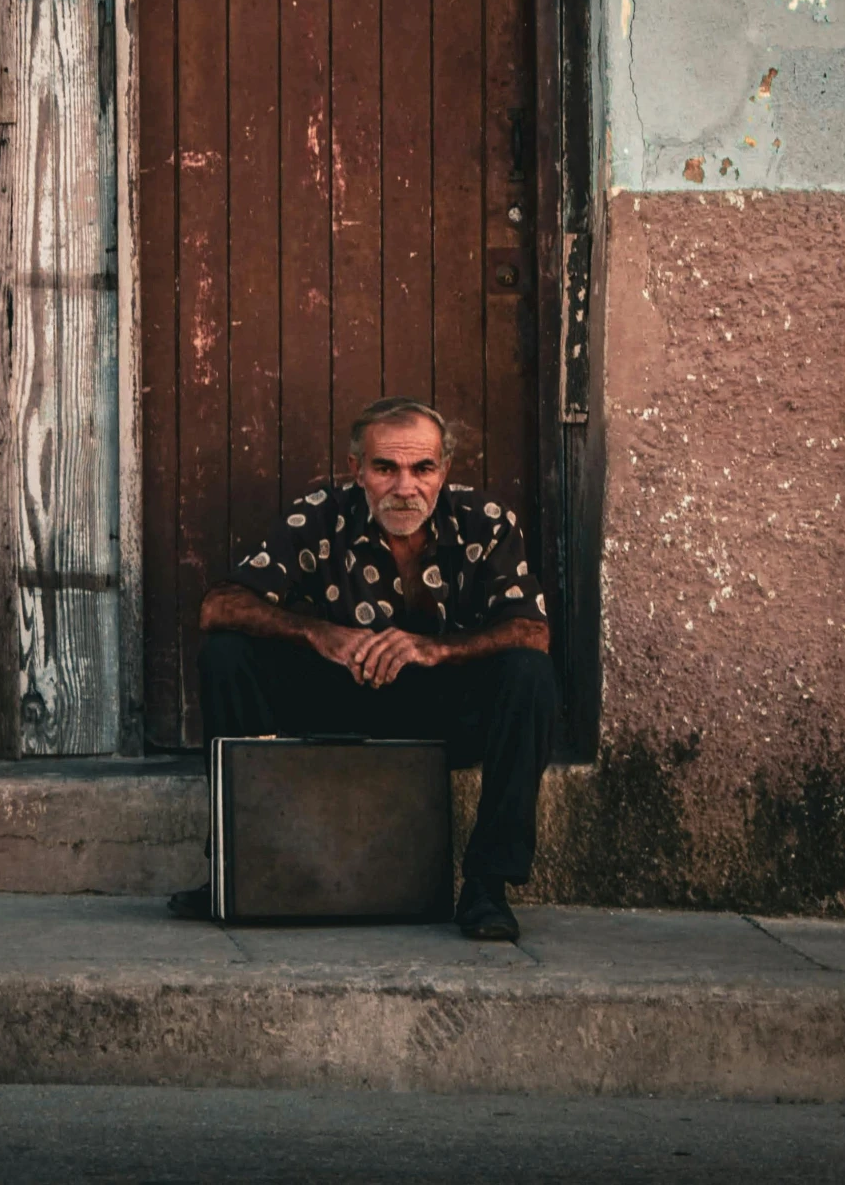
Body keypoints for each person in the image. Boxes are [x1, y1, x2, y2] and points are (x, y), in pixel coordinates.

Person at [167, 397, 560, 941]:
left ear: (444, 470)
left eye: (423, 468)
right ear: (357, 470)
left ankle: (487, 885)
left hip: (443, 712)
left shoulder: (482, 522)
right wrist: (318, 633)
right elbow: (220, 605)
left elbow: (532, 629)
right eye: (385, 468)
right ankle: (241, 868)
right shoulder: (320, 515)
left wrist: (436, 650)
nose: (405, 487)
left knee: (530, 677)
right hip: (341, 704)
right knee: (226, 654)